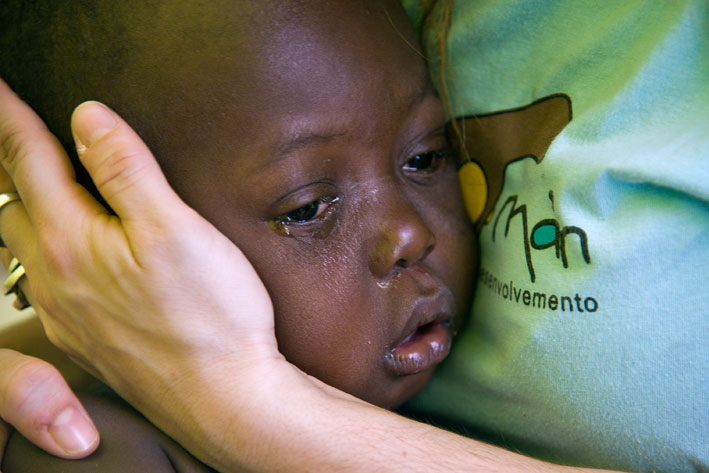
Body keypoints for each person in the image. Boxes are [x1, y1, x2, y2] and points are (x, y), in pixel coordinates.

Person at [1, 0, 706, 472]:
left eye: (426, 157)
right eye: (307, 208)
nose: (407, 233)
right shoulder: (92, 444)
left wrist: (245, 403)